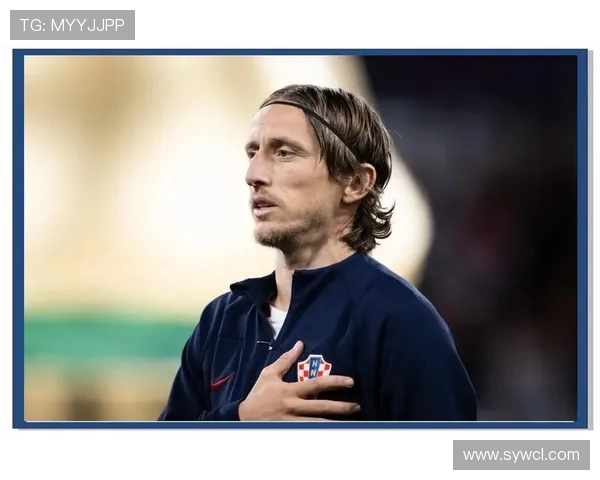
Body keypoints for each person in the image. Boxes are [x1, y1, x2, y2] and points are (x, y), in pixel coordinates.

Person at [158, 84, 477, 422]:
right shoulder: (221, 319)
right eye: (253, 153)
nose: (254, 175)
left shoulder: (402, 321)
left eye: (284, 153)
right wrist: (241, 419)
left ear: (355, 182)